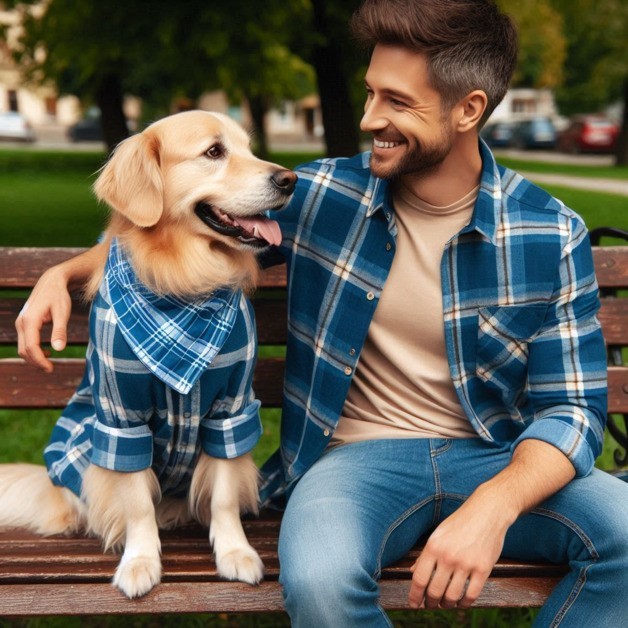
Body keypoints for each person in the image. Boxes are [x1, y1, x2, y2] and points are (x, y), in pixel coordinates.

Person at [16, 1, 628, 626]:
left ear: (468, 108)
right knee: (320, 580)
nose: (368, 119)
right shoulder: (325, 196)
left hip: (496, 457)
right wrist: (63, 274)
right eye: (368, 94)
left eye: (396, 101)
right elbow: (162, 221)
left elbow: (572, 409)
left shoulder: (549, 231)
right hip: (357, 463)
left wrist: (493, 507)